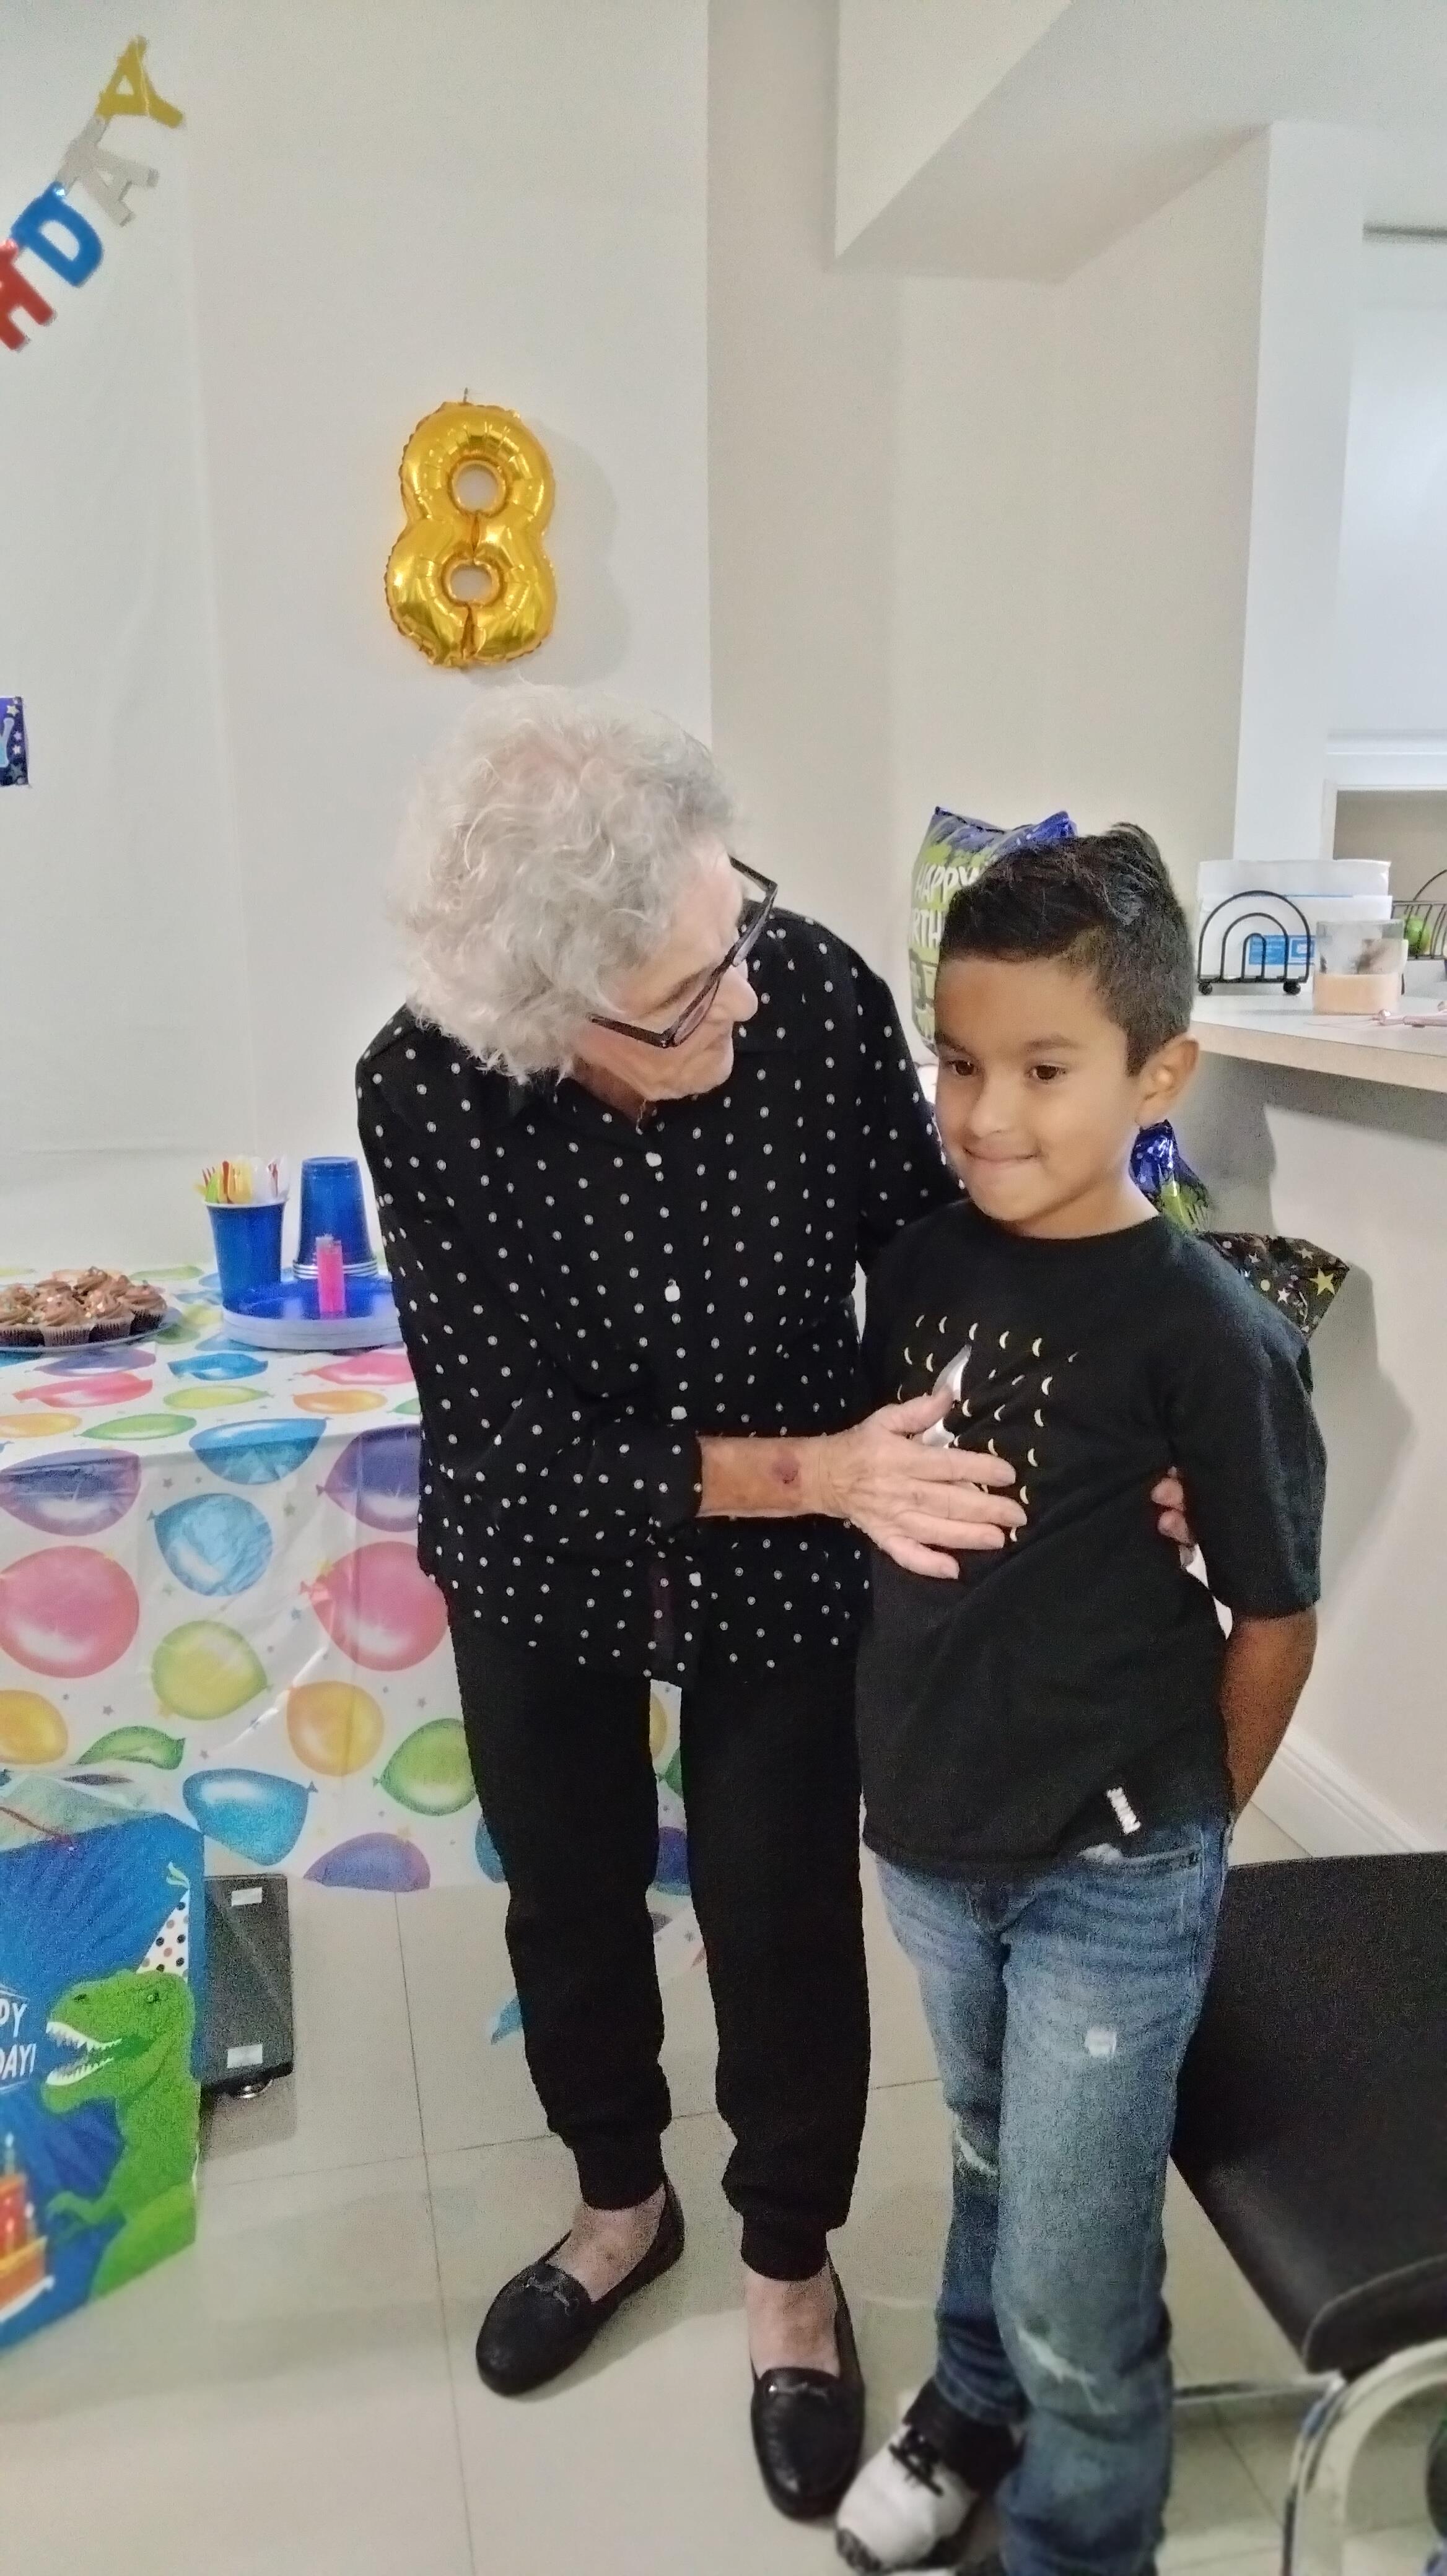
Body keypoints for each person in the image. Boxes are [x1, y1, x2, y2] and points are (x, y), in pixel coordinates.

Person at [357, 691, 1192, 2522]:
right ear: (544, 1022)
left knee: (780, 1905)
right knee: (570, 1890)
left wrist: (1118, 1404)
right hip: (551, 1553)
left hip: (789, 1562)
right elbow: (509, 1445)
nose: (744, 990)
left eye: (731, 924)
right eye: (684, 994)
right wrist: (817, 1468)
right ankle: (618, 2206)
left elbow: (931, 1240)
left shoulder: (794, 984)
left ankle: (788, 2271)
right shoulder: (423, 1087)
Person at [834, 829, 1326, 2576]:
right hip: (933, 1837)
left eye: (1045, 1071)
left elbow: (1275, 1612)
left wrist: (1189, 1815)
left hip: (1115, 1866)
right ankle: (970, 2404)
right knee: (989, 2155)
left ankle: (1081, 2532)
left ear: (1157, 1074)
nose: (985, 1114)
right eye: (959, 1064)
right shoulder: (911, 1266)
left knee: (1075, 2265)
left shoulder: (1210, 1330)